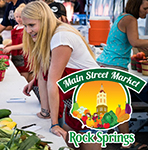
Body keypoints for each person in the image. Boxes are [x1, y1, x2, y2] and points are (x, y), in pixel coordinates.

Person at [21, 1, 100, 149]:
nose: (27, 30)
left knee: (87, 137)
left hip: (93, 93)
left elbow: (53, 81)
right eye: (25, 26)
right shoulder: (51, 34)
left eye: (31, 25)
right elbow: (44, 71)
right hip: (78, 92)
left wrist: (54, 123)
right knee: (72, 138)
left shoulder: (61, 36)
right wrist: (46, 113)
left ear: (44, 19)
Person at [96, 0, 148, 149]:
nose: (147, 11)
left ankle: (118, 138)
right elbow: (135, 42)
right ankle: (128, 143)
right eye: (145, 8)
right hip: (114, 66)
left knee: (115, 104)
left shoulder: (122, 16)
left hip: (105, 64)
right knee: (121, 104)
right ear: (136, 5)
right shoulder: (131, 19)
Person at [3, 4, 32, 82]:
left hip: (24, 56)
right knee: (17, 73)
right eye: (17, 17)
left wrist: (11, 47)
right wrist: (9, 44)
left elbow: (25, 44)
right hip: (15, 55)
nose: (19, 19)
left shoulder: (26, 28)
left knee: (23, 76)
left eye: (21, 17)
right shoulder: (16, 27)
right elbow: (16, 40)